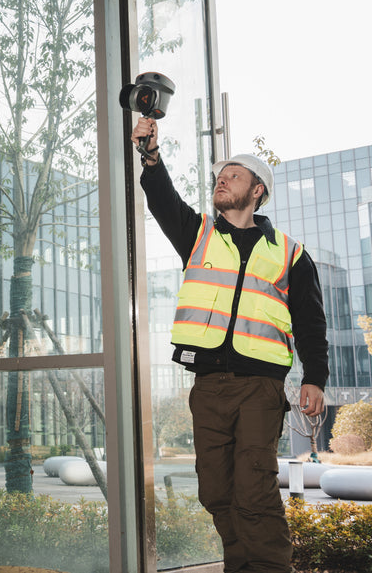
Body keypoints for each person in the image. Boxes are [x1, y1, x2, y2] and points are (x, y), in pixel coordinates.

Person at [131, 115, 328, 573]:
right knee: (216, 491)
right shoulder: (197, 234)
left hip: (259, 388)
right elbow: (162, 198)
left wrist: (314, 378)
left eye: (234, 175)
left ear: (257, 190)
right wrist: (150, 155)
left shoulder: (290, 254)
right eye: (220, 177)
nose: (223, 181)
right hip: (209, 386)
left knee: (255, 491)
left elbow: (311, 321)